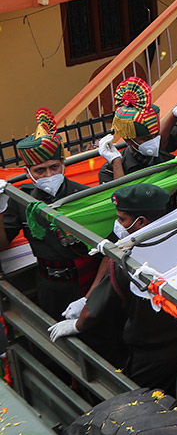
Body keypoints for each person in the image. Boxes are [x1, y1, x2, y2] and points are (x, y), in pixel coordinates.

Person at [56, 184, 177, 391]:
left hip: (153, 352)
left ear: (140, 222)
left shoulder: (131, 260)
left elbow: (95, 311)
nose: (118, 224)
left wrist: (77, 325)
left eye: (122, 219)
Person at [0, 110, 94, 317]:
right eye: (40, 171)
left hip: (86, 278)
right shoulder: (21, 201)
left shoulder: (84, 194)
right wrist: (0, 209)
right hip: (49, 283)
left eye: (54, 167)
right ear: (28, 173)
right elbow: (2, 242)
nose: (49, 175)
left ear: (63, 165)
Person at [96, 77, 172, 183]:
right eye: (146, 139)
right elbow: (121, 196)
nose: (154, 141)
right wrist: (116, 163)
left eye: (156, 135)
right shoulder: (109, 171)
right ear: (128, 140)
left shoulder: (168, 159)